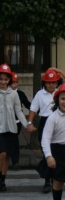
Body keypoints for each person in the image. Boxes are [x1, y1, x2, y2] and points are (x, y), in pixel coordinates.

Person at [27, 67, 65, 193]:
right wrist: (29, 123)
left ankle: (57, 179)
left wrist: (59, 70)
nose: (51, 84)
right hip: (45, 121)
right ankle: (47, 180)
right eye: (49, 82)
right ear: (44, 83)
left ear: (57, 82)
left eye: (54, 82)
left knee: (57, 150)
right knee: (46, 152)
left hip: (59, 122)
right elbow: (33, 109)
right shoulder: (39, 94)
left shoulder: (60, 91)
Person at [0, 63, 36, 192]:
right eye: (1, 79)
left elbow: (19, 111)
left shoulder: (14, 94)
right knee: (2, 153)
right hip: (0, 129)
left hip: (11, 128)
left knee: (7, 155)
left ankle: (2, 180)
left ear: (9, 80)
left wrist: (27, 124)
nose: (3, 81)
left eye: (6, 79)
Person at [10, 72, 31, 169]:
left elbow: (28, 105)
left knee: (13, 141)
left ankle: (15, 162)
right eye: (12, 82)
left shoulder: (20, 94)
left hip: (16, 123)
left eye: (16, 82)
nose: (14, 84)